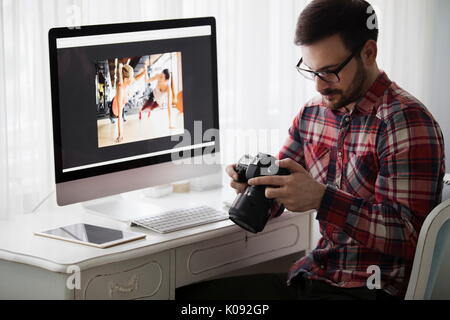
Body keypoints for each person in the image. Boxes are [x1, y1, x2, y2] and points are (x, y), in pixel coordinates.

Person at [176, 0, 445, 300]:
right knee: (191, 299)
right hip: (314, 276)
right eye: (311, 70)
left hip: (369, 289)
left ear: (369, 53)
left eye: (329, 72)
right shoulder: (312, 114)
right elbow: (282, 192)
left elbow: (409, 236)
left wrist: (322, 198)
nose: (318, 86)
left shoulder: (405, 122)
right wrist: (255, 185)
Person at [139, 59, 177, 129]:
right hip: (153, 94)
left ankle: (149, 110)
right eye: (160, 74)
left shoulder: (168, 88)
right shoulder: (158, 76)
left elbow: (169, 106)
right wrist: (145, 68)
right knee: (146, 106)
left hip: (159, 101)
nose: (159, 78)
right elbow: (147, 80)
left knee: (151, 108)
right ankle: (140, 111)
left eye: (162, 77)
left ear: (166, 80)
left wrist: (170, 124)